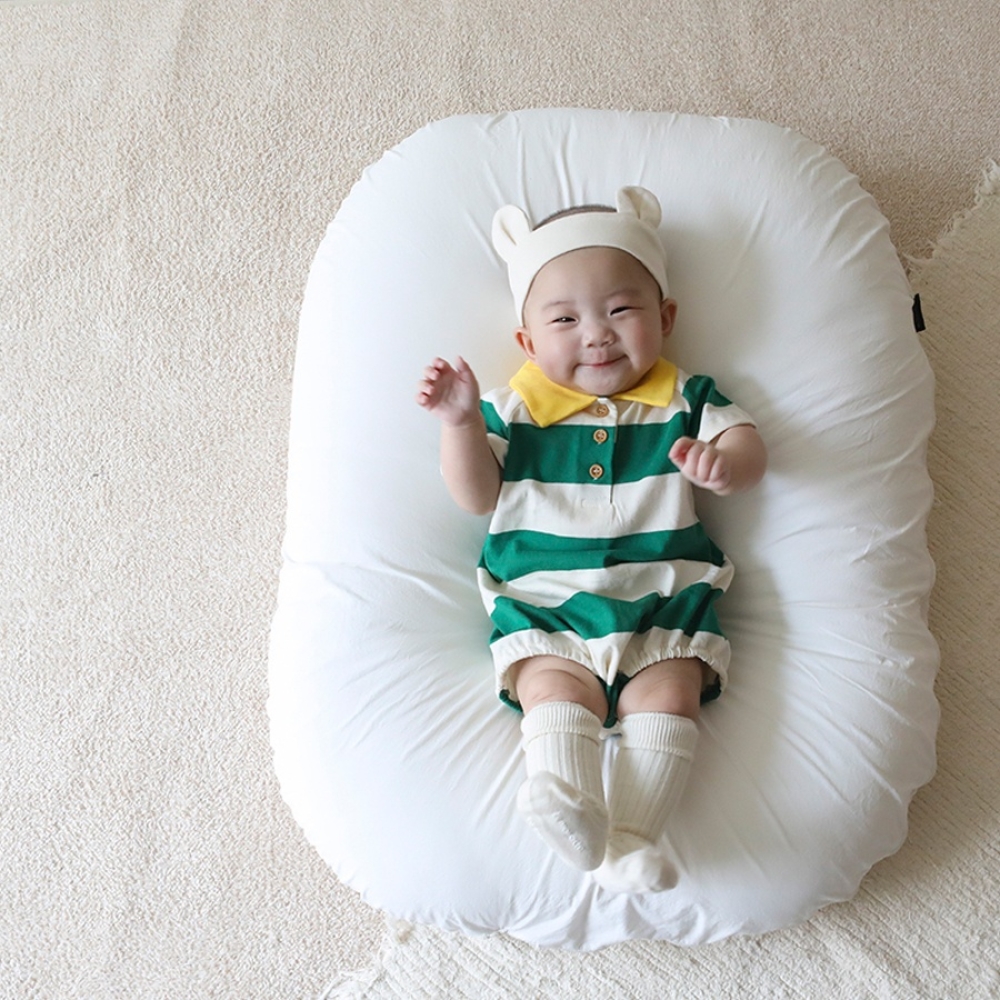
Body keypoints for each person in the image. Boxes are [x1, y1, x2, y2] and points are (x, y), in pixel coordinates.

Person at [416, 186, 767, 893]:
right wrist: (460, 423)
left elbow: (748, 444)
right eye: (565, 319)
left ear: (665, 318)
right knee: (553, 692)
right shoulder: (515, 408)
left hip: (664, 603)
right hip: (547, 606)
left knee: (670, 698)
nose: (597, 335)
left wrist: (725, 464)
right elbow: (476, 494)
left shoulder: (685, 397)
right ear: (527, 343)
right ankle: (569, 809)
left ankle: (631, 840)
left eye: (621, 310)